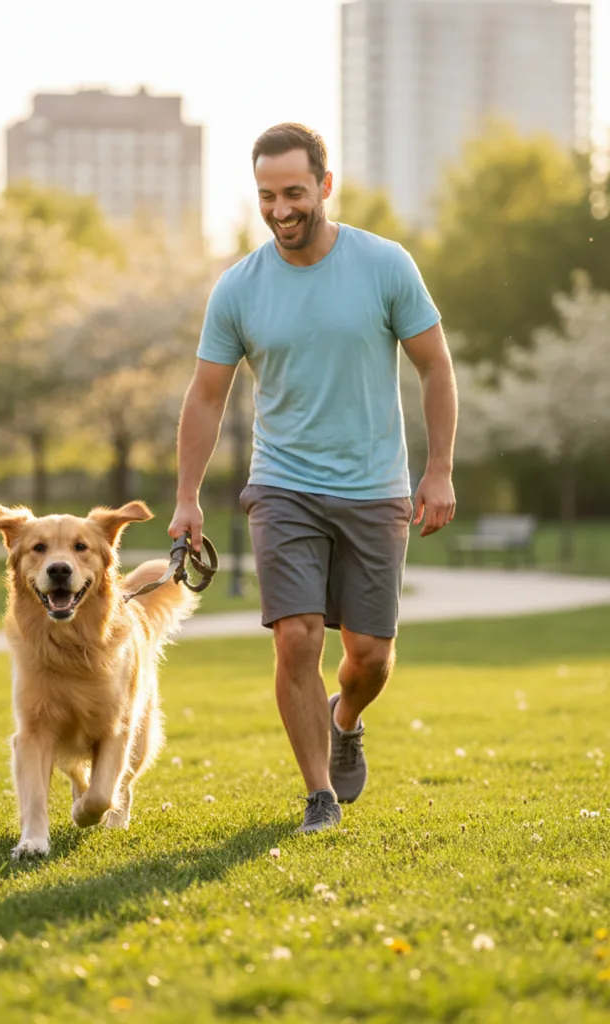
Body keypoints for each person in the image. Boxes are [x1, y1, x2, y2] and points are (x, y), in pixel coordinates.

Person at [169, 123, 458, 834]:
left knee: (370, 658)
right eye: (267, 196)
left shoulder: (385, 265)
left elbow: (435, 367)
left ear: (325, 186)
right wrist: (186, 498)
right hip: (284, 483)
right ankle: (318, 794)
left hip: (375, 487)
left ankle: (346, 716)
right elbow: (206, 396)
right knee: (296, 637)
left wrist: (440, 469)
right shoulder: (239, 287)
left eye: (294, 193)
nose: (280, 209)